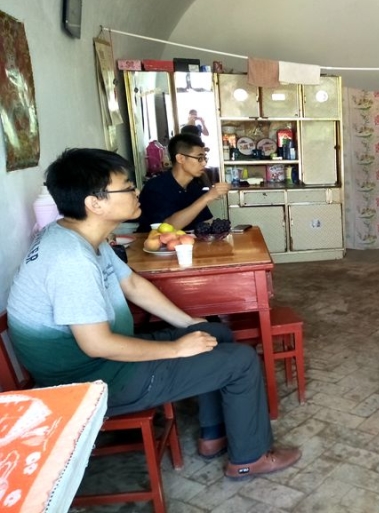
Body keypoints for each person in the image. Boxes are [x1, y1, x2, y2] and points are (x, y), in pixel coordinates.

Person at [6, 148, 300, 480]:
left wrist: (189, 323)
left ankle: (213, 434)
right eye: (127, 187)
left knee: (212, 332)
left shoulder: (78, 235)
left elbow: (132, 284)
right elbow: (97, 344)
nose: (136, 192)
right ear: (94, 203)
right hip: (93, 380)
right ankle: (250, 458)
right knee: (242, 361)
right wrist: (176, 349)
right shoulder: (71, 260)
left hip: (99, 362)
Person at [137, 133, 230, 232]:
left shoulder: (194, 186)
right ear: (180, 158)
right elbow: (167, 228)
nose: (204, 163)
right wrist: (207, 197)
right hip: (153, 240)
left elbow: (204, 223)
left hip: (186, 240)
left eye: (204, 158)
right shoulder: (156, 188)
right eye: (199, 158)